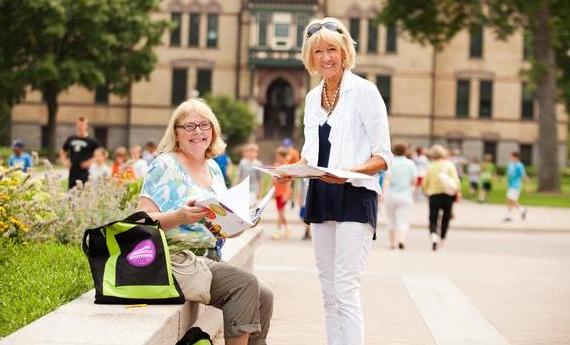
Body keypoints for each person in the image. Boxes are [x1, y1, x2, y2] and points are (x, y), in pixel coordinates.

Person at [276, 18, 393, 345]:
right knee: (328, 292)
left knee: (345, 289)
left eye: (332, 50)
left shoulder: (365, 92)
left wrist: (350, 172)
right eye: (318, 52)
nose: (326, 57)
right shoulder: (313, 99)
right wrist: (291, 170)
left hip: (354, 195)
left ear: (344, 53)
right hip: (320, 195)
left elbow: (384, 155)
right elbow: (310, 154)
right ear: (309, 57)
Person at [136, 99, 272, 345]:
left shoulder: (213, 168)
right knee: (245, 285)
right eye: (189, 126)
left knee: (265, 296)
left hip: (209, 258)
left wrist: (241, 223)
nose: (198, 132)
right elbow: (140, 221)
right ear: (176, 132)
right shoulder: (165, 165)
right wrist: (178, 216)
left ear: (213, 130)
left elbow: (222, 227)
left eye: (204, 125)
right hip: (176, 259)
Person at [423, 145, 461, 251]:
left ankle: (434, 236)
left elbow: (425, 182)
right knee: (446, 217)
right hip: (448, 195)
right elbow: (456, 180)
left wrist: (426, 192)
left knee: (433, 217)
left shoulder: (431, 166)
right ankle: (442, 238)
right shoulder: (449, 165)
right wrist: (458, 191)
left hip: (434, 194)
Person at [383, 143, 417, 250]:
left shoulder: (392, 163)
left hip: (391, 195)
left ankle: (392, 243)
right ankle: (401, 240)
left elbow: (387, 179)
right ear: (406, 151)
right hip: (405, 195)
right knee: (403, 219)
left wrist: (382, 193)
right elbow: (414, 180)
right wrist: (411, 190)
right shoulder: (411, 163)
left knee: (391, 219)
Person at [60, 117, 101, 189]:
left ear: (86, 126)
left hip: (85, 172)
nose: (81, 127)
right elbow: (63, 150)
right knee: (71, 193)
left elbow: (99, 154)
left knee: (83, 193)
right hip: (73, 171)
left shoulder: (92, 141)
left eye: (82, 125)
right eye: (79, 125)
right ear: (76, 126)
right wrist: (64, 161)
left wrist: (89, 162)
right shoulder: (71, 138)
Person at [272, 147, 292, 240]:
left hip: (283, 192)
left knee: (280, 213)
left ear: (284, 157)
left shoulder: (287, 166)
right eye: (277, 156)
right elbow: (273, 179)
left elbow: (289, 182)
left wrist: (286, 194)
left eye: (279, 157)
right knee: (281, 212)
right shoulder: (276, 165)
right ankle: (287, 229)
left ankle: (277, 231)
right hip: (277, 192)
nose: (278, 158)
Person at [504, 151, 528, 222]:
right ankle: (522, 210)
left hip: (516, 185)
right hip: (510, 185)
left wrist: (527, 182)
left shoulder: (520, 165)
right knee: (510, 200)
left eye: (511, 156)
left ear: (515, 157)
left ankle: (510, 215)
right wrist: (506, 182)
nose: (510, 157)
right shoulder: (510, 164)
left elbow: (523, 175)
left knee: (510, 200)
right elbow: (508, 174)